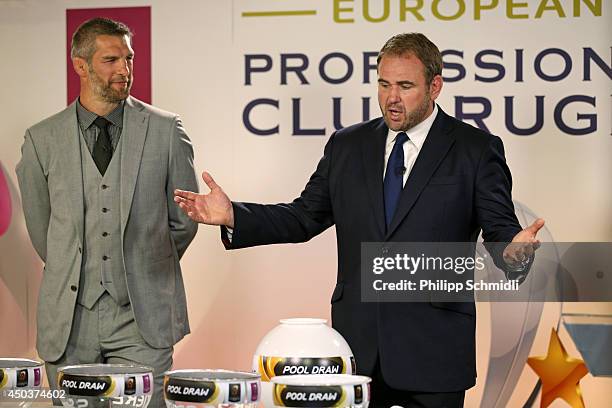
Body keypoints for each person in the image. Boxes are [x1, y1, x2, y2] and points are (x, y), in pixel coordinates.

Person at [174, 33, 543, 407]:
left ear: (435, 86)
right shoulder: (346, 146)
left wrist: (516, 253)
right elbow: (303, 217)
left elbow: (502, 234)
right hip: (358, 352)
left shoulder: (475, 149)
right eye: (383, 84)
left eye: (405, 86)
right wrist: (233, 214)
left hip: (435, 349)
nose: (391, 98)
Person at [16, 17, 198, 406]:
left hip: (142, 318)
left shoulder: (166, 130)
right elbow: (42, 228)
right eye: (111, 60)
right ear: (80, 66)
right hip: (69, 322)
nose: (124, 70)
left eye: (128, 59)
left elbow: (183, 221)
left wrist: (143, 263)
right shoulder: (40, 139)